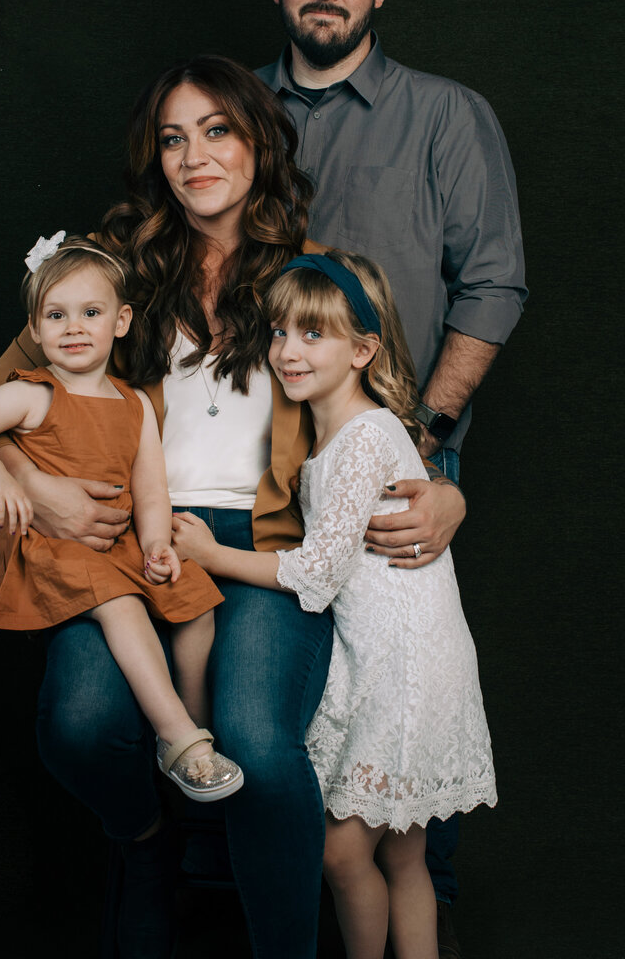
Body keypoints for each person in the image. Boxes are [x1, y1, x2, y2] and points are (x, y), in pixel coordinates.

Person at [0, 56, 467, 958]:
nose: (194, 154)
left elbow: (375, 411)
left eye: (217, 130)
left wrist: (447, 492)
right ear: (155, 159)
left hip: (267, 544)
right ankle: (143, 840)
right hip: (121, 535)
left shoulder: (311, 275)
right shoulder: (110, 278)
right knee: (80, 724)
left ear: (258, 142)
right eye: (172, 137)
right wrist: (36, 487)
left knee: (262, 745)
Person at [256, 0, 526, 951]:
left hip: (397, 476)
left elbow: (492, 283)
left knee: (404, 767)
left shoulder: (443, 115)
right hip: (259, 488)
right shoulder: (233, 116)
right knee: (289, 744)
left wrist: (426, 443)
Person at [172, 250, 497, 959]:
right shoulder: (347, 436)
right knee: (404, 858)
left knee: (344, 854)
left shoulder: (363, 438)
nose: (289, 350)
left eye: (313, 335)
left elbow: (317, 574)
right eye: (281, 331)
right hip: (402, 658)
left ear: (362, 351)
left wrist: (209, 554)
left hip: (403, 672)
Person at [0, 234, 243, 801]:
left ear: (121, 322)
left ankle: (194, 726)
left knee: (196, 603)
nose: (74, 328)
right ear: (35, 327)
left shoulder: (135, 403)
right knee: (122, 608)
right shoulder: (32, 394)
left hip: (118, 544)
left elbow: (151, 489)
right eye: (56, 315)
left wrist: (157, 544)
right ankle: (180, 741)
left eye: (90, 313)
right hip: (54, 550)